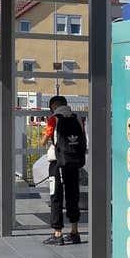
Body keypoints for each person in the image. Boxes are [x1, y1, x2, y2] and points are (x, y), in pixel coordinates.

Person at [41, 95, 86, 245]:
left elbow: (43, 141)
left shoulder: (54, 119)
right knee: (73, 195)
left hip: (57, 163)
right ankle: (74, 232)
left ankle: (58, 233)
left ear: (53, 107)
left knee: (56, 196)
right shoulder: (77, 117)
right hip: (73, 162)